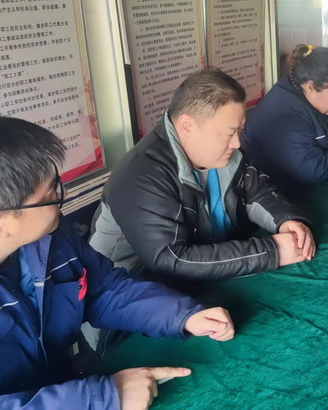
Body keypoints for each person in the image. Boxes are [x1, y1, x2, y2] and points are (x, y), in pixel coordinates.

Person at [0, 116, 235, 410]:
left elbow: (104, 290)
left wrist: (181, 315)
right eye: (51, 194)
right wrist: (104, 398)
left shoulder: (48, 236)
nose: (62, 196)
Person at [89, 69, 315, 280]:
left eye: (240, 130)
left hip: (203, 275)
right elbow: (170, 258)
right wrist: (271, 251)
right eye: (229, 133)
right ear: (187, 125)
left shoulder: (220, 153)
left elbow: (256, 193)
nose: (237, 143)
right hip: (124, 289)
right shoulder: (141, 176)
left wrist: (286, 220)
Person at [242, 44, 328, 199]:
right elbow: (313, 169)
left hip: (318, 188)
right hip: (282, 198)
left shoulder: (326, 101)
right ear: (310, 87)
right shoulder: (282, 115)